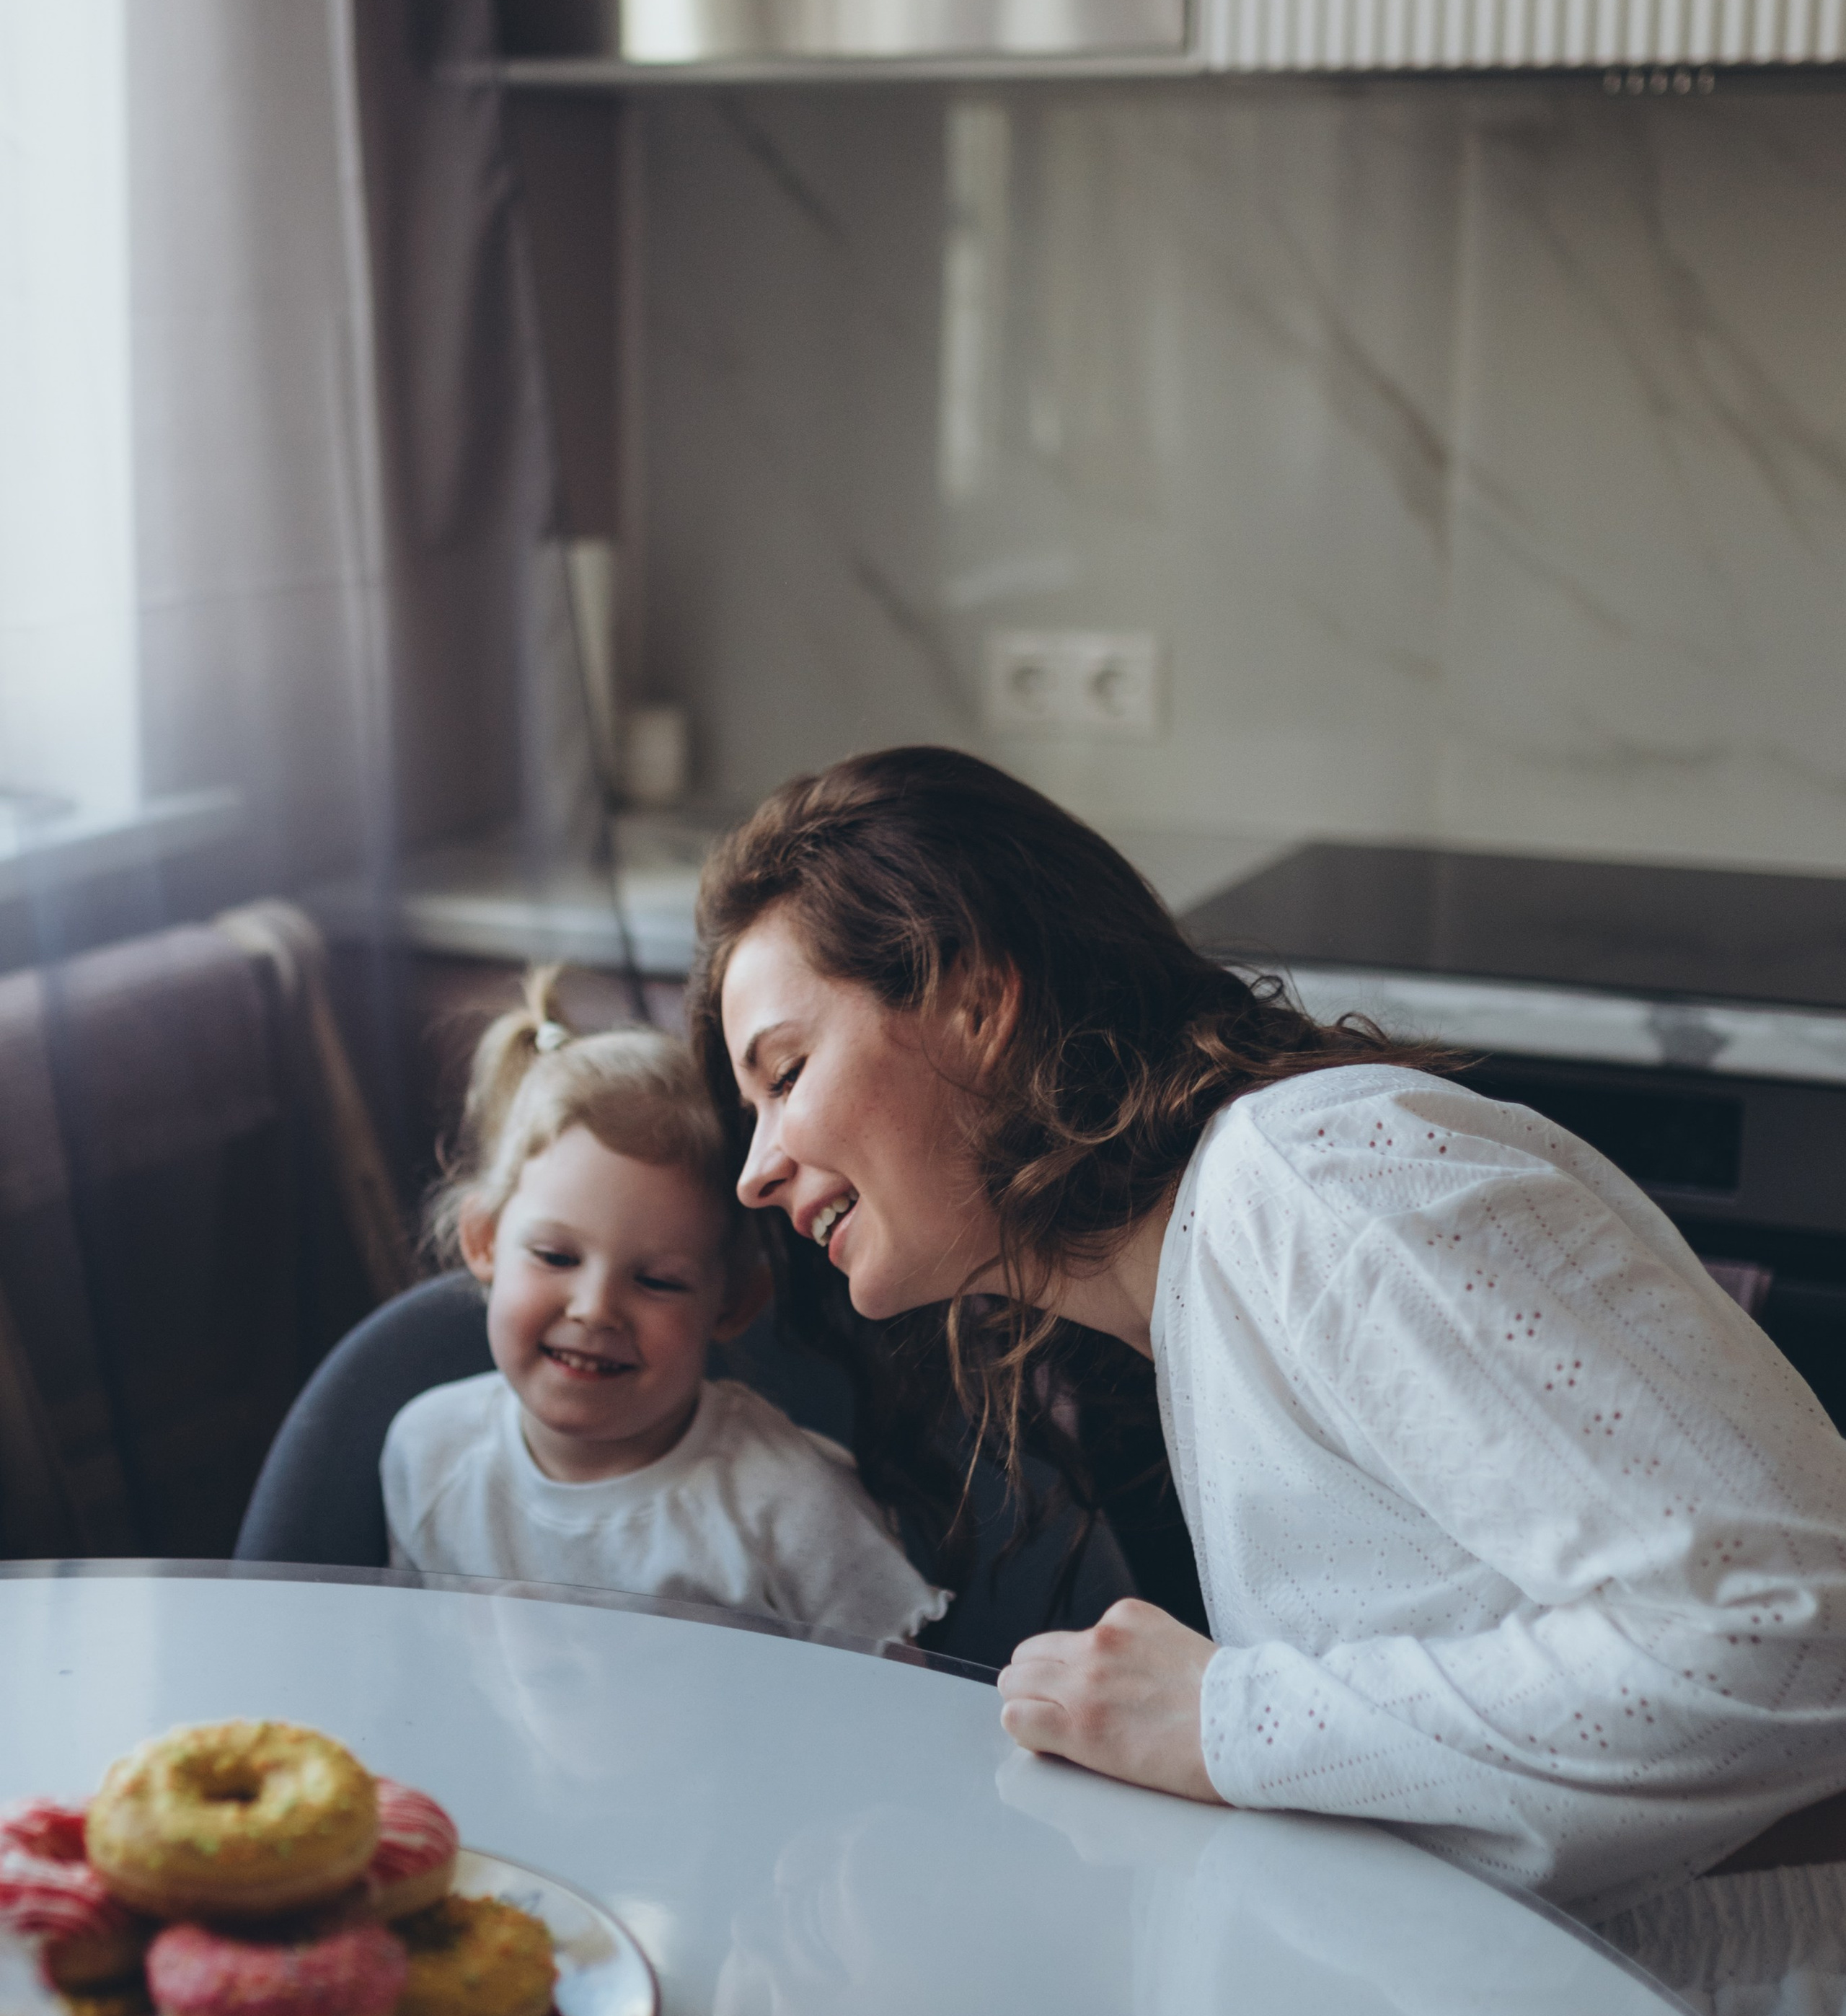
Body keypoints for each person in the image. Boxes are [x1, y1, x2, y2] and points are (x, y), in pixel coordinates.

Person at [688, 748, 1846, 1924]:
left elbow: (1788, 1633)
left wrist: (1224, 1721)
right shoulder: (1189, 1284)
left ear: (977, 1005)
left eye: (785, 1072)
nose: (754, 1170)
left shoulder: (1316, 1189)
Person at [382, 971, 950, 1646]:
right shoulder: (429, 1453)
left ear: (734, 1301)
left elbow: (893, 1704)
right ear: (482, 1241)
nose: (595, 1310)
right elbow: (421, 1675)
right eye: (557, 1258)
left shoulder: (788, 1503)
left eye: (656, 1280)